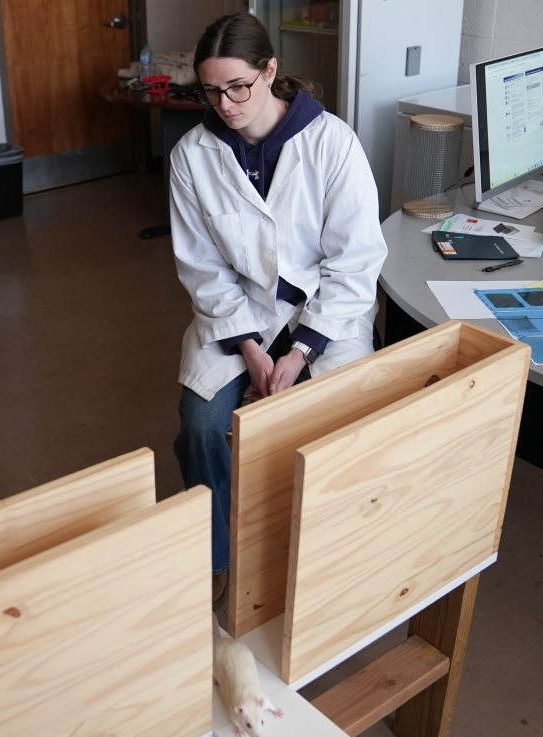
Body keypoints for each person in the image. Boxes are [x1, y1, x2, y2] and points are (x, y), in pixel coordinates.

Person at [170, 13, 386, 600]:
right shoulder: (192, 156)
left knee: (340, 423)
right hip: (239, 318)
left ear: (270, 71)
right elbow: (203, 270)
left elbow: (356, 261)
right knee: (200, 425)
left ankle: (329, 553)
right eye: (210, 91)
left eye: (237, 86)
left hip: (325, 317)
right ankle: (217, 556)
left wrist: (299, 352)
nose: (224, 104)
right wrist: (248, 348)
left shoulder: (331, 142)